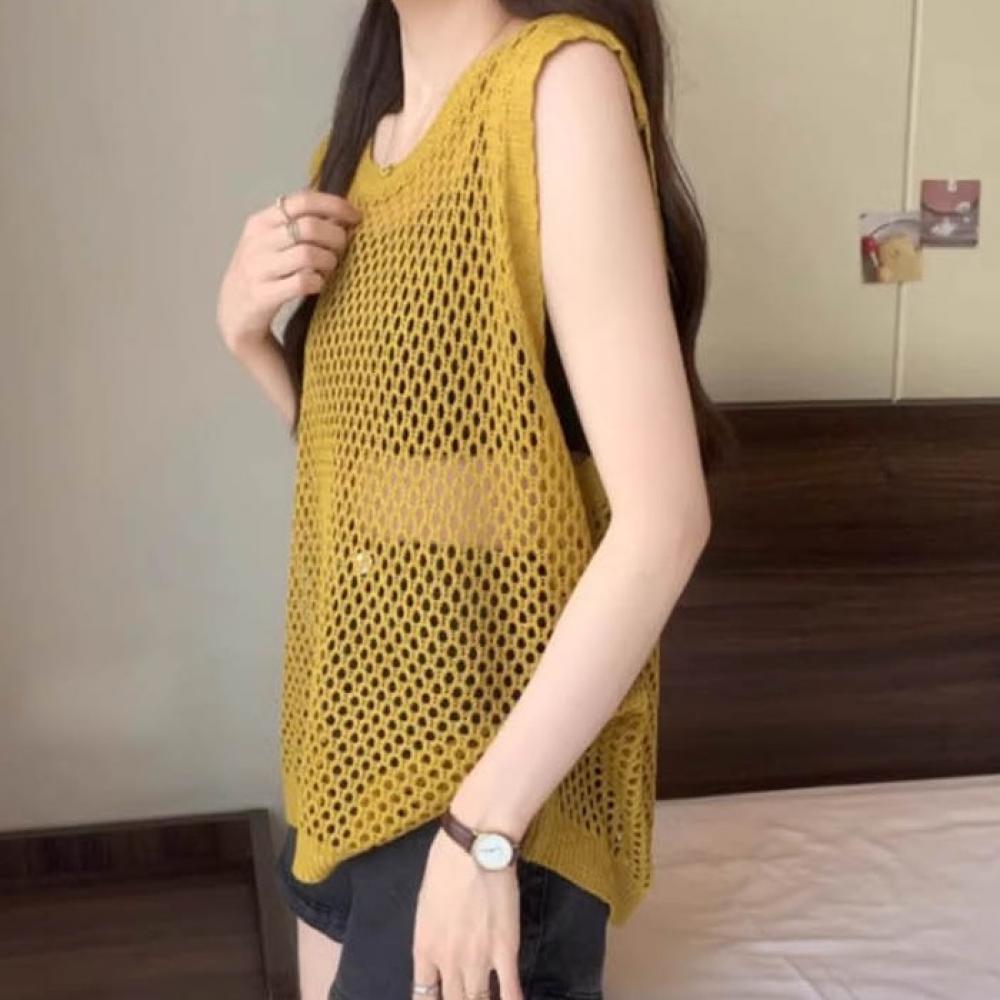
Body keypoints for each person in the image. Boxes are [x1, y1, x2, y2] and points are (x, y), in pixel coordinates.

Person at [216, 3, 731, 998]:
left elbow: (665, 520)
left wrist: (480, 831)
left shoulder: (556, 82)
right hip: (345, 770)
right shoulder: (350, 155)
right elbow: (367, 486)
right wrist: (246, 337)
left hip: (484, 790)